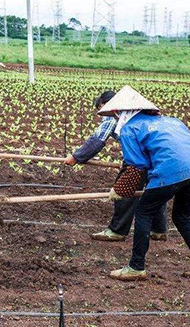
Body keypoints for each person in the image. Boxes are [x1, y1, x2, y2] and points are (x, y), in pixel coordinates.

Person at [98, 86, 190, 282]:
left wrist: (119, 190)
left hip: (169, 171)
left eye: (115, 114)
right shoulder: (173, 121)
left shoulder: (129, 129)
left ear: (121, 113)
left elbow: (137, 166)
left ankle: (136, 267)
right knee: (182, 217)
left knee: (143, 212)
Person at [64, 90, 167, 242]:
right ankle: (158, 230)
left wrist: (75, 157)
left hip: (139, 157)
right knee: (154, 191)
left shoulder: (114, 115)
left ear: (107, 105)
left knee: (124, 190)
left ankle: (117, 230)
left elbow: (97, 141)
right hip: (159, 156)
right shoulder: (141, 113)